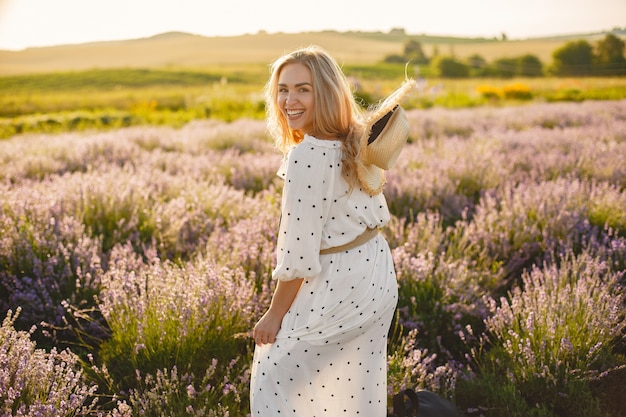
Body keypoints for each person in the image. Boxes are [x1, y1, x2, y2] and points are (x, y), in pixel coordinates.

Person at [250, 45, 416, 416]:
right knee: (354, 387)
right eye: (282, 89)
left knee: (272, 382)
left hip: (339, 283)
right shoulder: (353, 138)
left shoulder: (308, 155)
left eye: (303, 89)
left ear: (325, 93)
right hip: (374, 273)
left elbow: (297, 252)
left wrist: (274, 315)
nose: (288, 100)